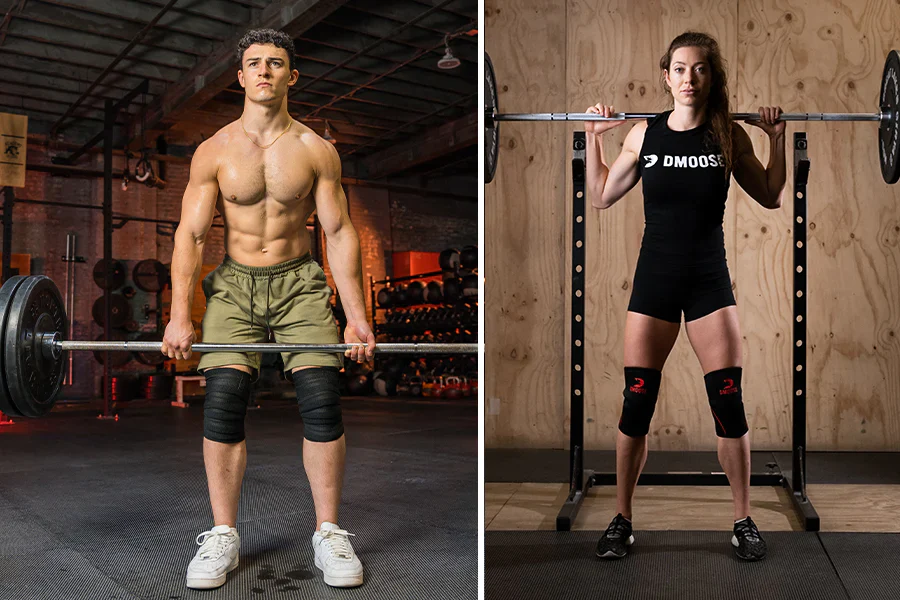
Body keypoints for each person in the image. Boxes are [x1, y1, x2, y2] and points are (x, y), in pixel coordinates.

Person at [161, 28, 376, 590]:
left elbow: (339, 232)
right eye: (254, 63)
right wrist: (180, 313)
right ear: (240, 77)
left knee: (322, 402)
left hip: (299, 283)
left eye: (275, 64)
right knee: (224, 403)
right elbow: (189, 235)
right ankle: (224, 535)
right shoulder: (214, 150)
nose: (264, 72)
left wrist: (356, 316)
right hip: (233, 286)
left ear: (291, 76)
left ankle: (328, 532)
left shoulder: (315, 150)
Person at [586, 31, 785, 562]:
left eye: (699, 69)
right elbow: (602, 196)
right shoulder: (644, 134)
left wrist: (777, 140)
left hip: (707, 282)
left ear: (711, 76)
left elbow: (769, 195)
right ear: (665, 76)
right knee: (636, 405)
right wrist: (593, 138)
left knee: (729, 405)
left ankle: (743, 519)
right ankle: (621, 519)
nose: (688, 79)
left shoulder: (726, 136)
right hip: (655, 278)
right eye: (679, 69)